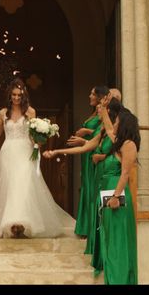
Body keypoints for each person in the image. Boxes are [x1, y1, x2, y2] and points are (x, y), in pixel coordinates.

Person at [45, 107, 139, 284]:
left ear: (124, 123)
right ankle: (111, 276)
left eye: (117, 121)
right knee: (108, 235)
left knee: (117, 238)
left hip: (116, 194)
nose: (114, 124)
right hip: (106, 190)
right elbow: (101, 136)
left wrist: (116, 197)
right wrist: (58, 152)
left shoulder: (129, 145)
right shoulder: (115, 140)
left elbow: (126, 173)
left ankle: (119, 279)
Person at [0, 78, 75, 238]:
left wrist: (39, 142)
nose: (17, 98)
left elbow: (33, 133)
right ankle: (11, 223)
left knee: (24, 184)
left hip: (25, 151)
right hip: (8, 151)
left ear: (23, 95)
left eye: (19, 95)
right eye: (14, 95)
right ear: (10, 95)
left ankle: (22, 222)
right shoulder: (3, 112)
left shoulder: (30, 111)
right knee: (11, 185)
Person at [66, 85, 108, 238]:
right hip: (86, 152)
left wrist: (85, 133)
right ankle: (85, 227)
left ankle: (91, 228)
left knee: (91, 187)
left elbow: (104, 132)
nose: (89, 96)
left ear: (99, 96)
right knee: (86, 185)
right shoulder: (94, 113)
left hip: (92, 152)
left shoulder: (103, 112)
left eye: (92, 94)